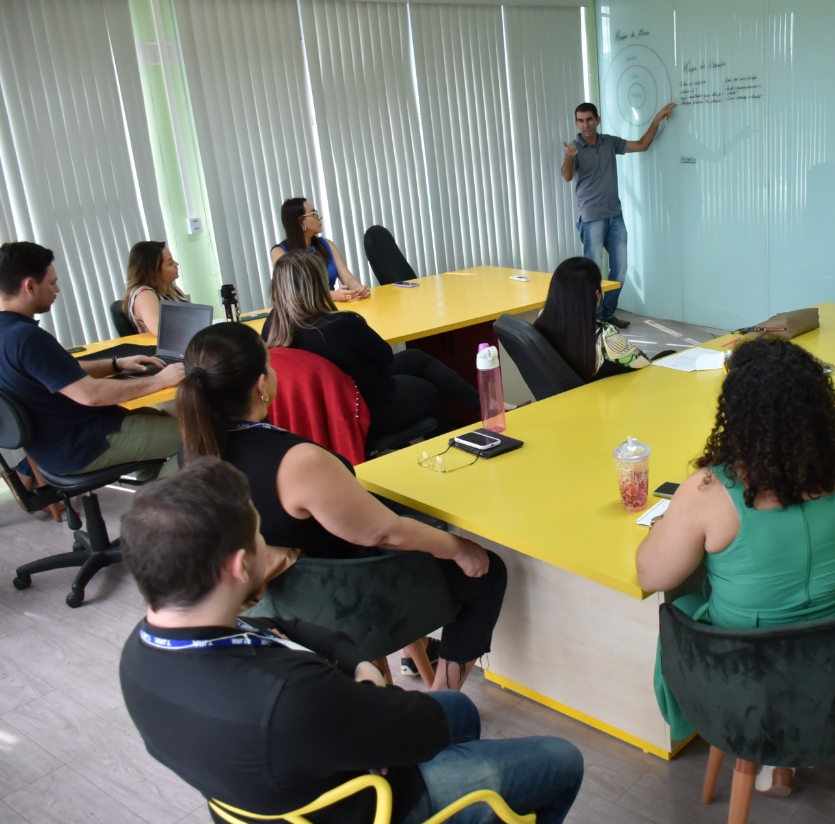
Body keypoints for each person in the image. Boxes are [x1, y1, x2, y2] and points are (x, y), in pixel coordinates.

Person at [118, 457, 583, 824]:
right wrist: (369, 704)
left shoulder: (143, 654)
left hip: (293, 782)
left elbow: (290, 630)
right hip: (369, 805)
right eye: (260, 537)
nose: (269, 546)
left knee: (460, 709)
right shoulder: (288, 698)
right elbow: (423, 728)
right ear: (239, 566)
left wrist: (361, 669)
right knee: (562, 761)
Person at [177, 321, 504, 691]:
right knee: (487, 572)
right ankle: (443, 703)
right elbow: (386, 533)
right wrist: (461, 549)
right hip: (353, 601)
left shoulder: (193, 453)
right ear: (261, 385)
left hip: (273, 602)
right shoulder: (296, 463)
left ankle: (415, 655)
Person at [636, 337, 835, 796]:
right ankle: (785, 760)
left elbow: (651, 575)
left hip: (744, 671)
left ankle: (771, 751)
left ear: (738, 413)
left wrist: (665, 527)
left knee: (681, 603)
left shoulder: (708, 492)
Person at [0, 242, 184, 477]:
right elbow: (91, 394)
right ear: (30, 286)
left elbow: (62, 370)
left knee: (174, 424)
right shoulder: (26, 338)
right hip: (84, 443)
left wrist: (115, 364)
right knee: (201, 437)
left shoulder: (8, 333)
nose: (57, 289)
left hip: (51, 446)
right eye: (52, 282)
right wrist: (160, 381)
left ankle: (151, 488)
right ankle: (162, 505)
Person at [263, 251, 479, 437]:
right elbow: (384, 357)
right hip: (366, 406)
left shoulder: (273, 326)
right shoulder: (342, 324)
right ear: (317, 284)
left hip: (321, 413)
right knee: (430, 390)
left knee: (415, 358)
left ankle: (484, 406)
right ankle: (461, 434)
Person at [561, 100, 676, 329]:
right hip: (591, 217)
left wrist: (655, 120)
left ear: (597, 120)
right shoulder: (574, 148)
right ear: (576, 123)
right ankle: (590, 319)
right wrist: (568, 158)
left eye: (589, 119)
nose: (586, 125)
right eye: (581, 121)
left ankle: (606, 314)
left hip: (615, 216)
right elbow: (566, 176)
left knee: (620, 269)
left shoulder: (608, 142)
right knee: (592, 274)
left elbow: (642, 145)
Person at [535, 256, 650, 381]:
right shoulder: (606, 336)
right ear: (597, 294)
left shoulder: (543, 318)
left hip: (567, 394)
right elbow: (643, 361)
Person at [269, 196, 370, 303]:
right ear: (301, 222)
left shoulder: (327, 244)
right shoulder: (279, 252)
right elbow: (294, 293)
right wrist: (332, 296)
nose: (319, 217)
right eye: (313, 214)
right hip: (305, 314)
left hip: (333, 307)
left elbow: (348, 278)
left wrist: (358, 289)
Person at [122, 240, 190, 335]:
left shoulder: (169, 286)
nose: (176, 265)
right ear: (153, 271)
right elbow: (162, 331)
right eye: (170, 263)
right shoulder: (144, 294)